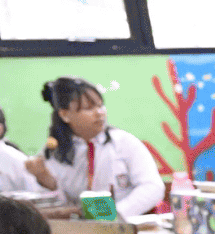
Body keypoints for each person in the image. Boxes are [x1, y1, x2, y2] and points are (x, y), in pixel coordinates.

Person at [25, 77, 165, 217]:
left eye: (100, 105)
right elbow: (55, 207)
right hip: (77, 230)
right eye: (89, 108)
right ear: (65, 115)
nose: (99, 113)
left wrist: (114, 214)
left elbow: (153, 187)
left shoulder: (124, 143)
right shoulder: (53, 153)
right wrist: (46, 181)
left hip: (123, 228)